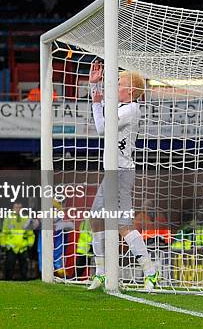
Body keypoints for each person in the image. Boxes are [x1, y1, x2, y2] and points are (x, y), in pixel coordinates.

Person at [87, 60, 157, 291]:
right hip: (113, 173)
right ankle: (102, 273)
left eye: (119, 83)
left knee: (123, 225)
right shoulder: (122, 108)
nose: (115, 86)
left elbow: (101, 129)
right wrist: (94, 88)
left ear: (130, 90)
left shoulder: (131, 109)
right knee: (97, 221)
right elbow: (104, 114)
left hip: (121, 172)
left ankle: (150, 271)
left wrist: (96, 101)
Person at [0, 202, 34, 281]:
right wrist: (3, 244)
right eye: (16, 207)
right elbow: (4, 233)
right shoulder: (8, 219)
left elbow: (30, 234)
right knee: (9, 267)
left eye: (19, 208)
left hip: (23, 247)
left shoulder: (26, 219)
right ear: (12, 209)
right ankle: (8, 282)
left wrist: (29, 244)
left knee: (24, 268)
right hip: (11, 247)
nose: (18, 209)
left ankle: (25, 283)